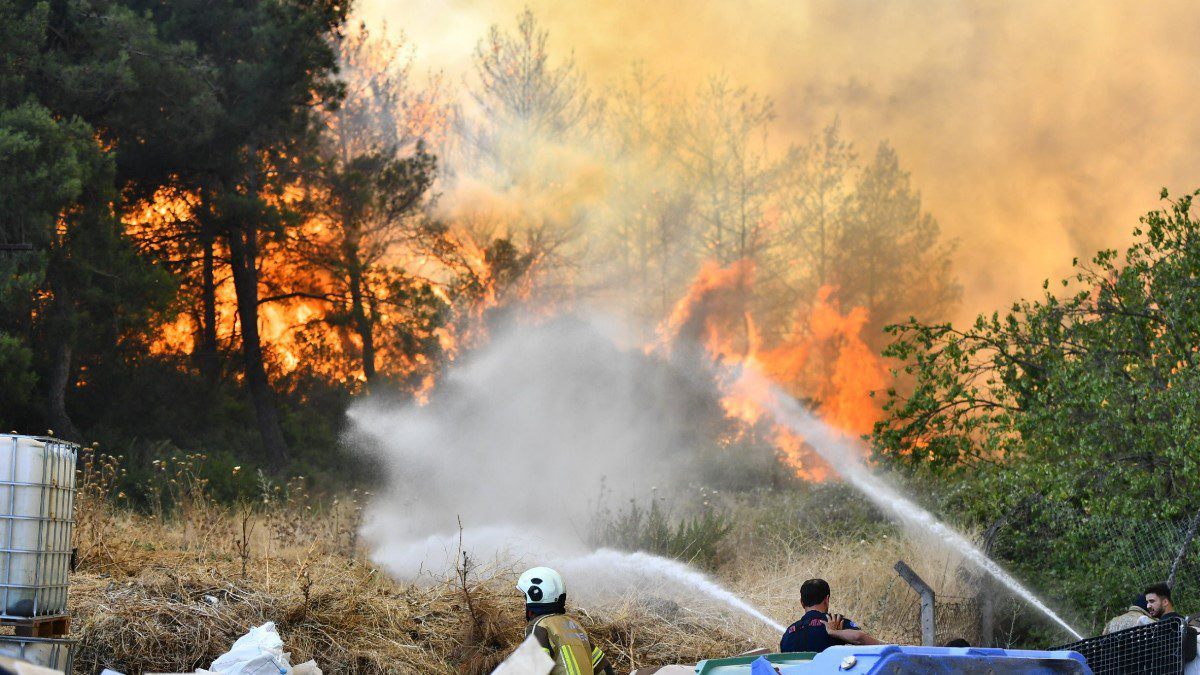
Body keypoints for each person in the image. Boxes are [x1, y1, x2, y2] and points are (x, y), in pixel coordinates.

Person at [518, 566, 615, 675]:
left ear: (535, 596)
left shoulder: (539, 627)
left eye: (525, 597)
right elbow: (605, 668)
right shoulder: (574, 626)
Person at [780, 578, 884, 654]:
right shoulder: (833, 622)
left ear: (802, 603)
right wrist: (835, 632)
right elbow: (859, 637)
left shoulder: (789, 633)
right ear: (826, 599)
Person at [1145, 582, 1198, 663]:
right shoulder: (1181, 621)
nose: (1148, 606)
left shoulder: (1165, 625)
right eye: (1147, 602)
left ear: (1165, 602)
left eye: (1152, 601)